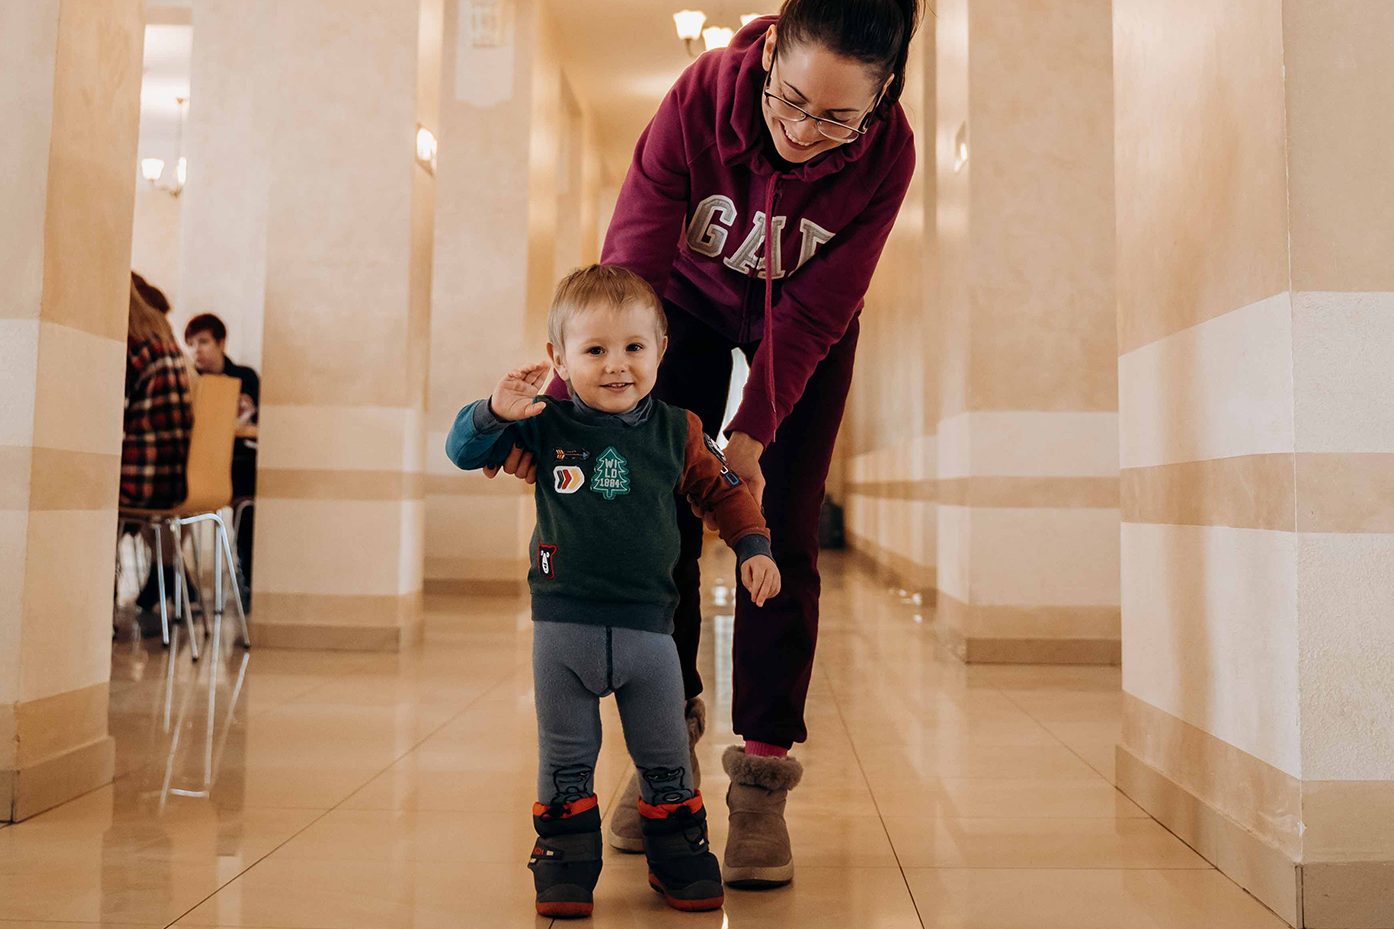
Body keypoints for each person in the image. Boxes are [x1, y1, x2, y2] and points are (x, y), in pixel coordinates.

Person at [487, 0, 920, 886]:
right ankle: (663, 763)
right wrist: (577, 418)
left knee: (785, 530)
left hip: (808, 329)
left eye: (837, 116)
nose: (804, 133)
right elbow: (631, 270)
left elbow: (815, 309)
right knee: (657, 515)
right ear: (767, 59)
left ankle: (761, 781)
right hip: (675, 308)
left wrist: (754, 433)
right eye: (790, 101)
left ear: (880, 103)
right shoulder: (702, 96)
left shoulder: (889, 154)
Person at [445, 265, 782, 918]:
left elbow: (723, 490)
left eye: (634, 346)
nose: (616, 365)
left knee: (663, 755)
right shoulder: (543, 422)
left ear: (662, 349)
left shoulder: (677, 429)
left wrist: (754, 544)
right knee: (566, 757)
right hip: (562, 633)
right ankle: (566, 857)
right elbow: (462, 449)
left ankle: (678, 851)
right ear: (558, 358)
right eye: (594, 349)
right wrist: (491, 412)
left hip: (649, 633)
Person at [122, 276, 194, 630]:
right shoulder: (164, 340)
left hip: (142, 481)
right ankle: (169, 580)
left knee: (72, 493)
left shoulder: (130, 344)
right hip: (177, 478)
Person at [185, 313, 259, 611]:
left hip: (239, 460)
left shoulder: (246, 377)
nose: (196, 350)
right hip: (197, 464)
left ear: (220, 343)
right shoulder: (189, 380)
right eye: (190, 343)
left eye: (203, 342)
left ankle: (248, 578)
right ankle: (165, 574)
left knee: (248, 505)